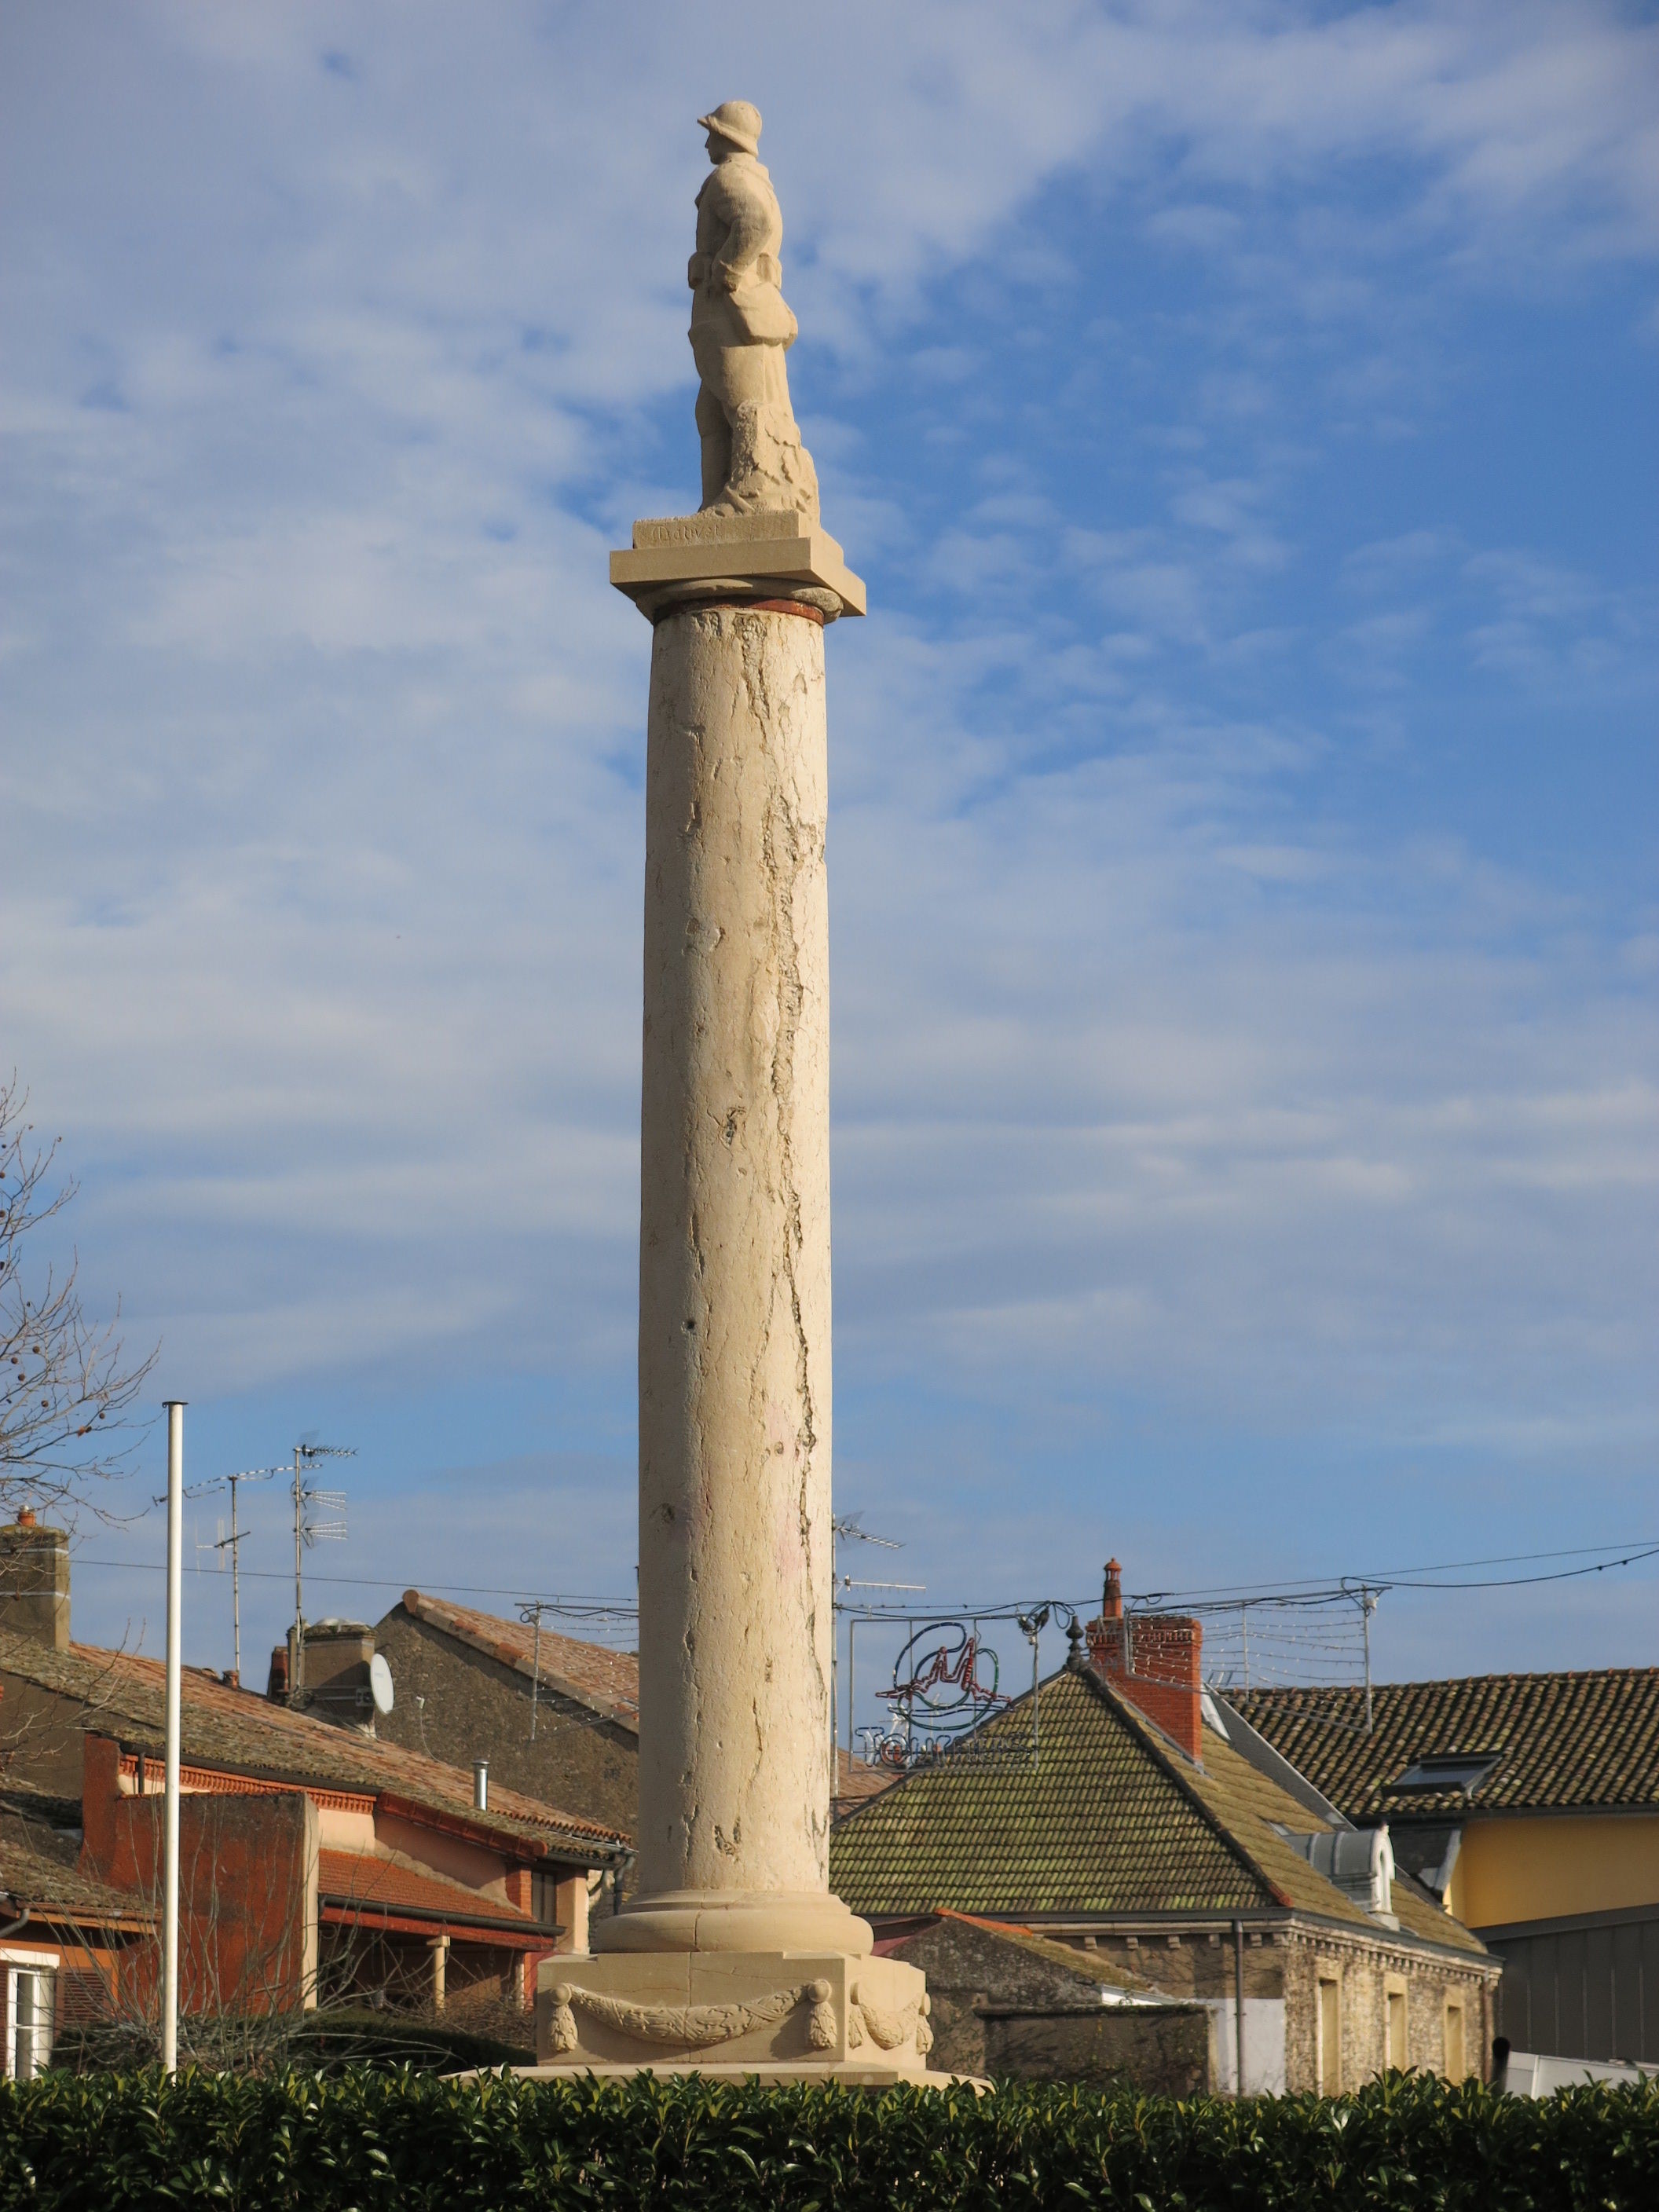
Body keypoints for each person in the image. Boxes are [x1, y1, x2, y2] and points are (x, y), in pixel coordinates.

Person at [687, 101, 819, 519]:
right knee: (712, 410)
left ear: (727, 137)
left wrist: (725, 268)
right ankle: (717, 500)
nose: (708, 140)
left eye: (713, 132)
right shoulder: (756, 181)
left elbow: (753, 222)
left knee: (742, 404)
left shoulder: (730, 178)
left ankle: (747, 496)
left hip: (734, 306)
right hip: (742, 305)